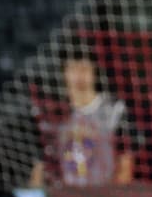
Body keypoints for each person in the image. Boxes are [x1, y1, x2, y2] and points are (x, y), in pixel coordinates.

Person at [54, 50, 141, 186]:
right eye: (73, 68)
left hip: (105, 193)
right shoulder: (55, 114)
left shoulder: (115, 110)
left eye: (84, 68)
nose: (79, 75)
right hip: (66, 194)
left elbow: (126, 162)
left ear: (95, 72)